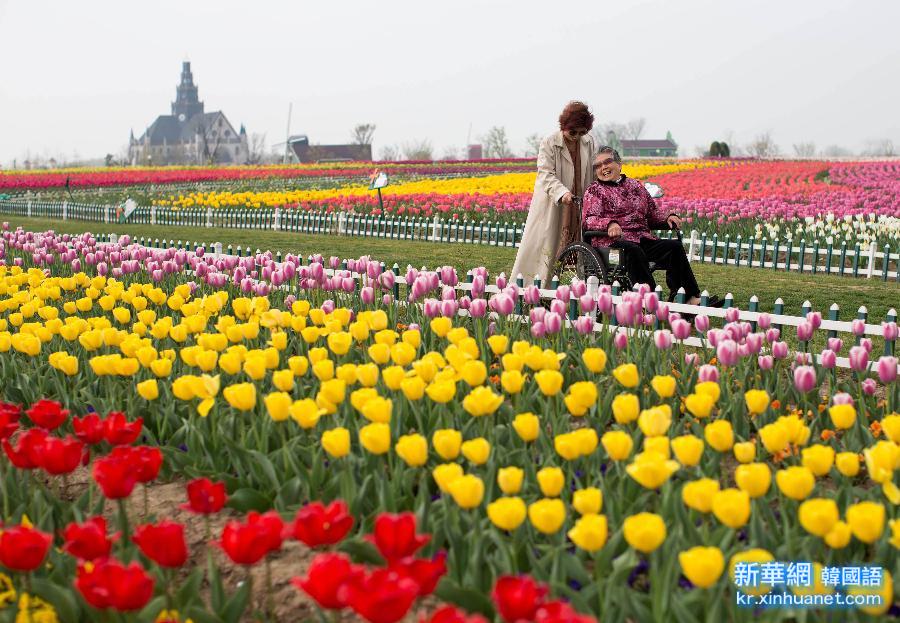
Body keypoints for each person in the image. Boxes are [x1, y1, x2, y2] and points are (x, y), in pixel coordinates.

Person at [582, 147, 721, 306]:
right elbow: (589, 219)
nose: (603, 168)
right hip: (610, 245)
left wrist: (668, 217)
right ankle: (650, 301)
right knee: (633, 250)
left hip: (640, 238)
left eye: (607, 162)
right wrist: (609, 224)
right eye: (598, 166)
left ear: (619, 164)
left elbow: (652, 213)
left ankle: (689, 298)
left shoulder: (636, 186)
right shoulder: (595, 191)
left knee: (673, 247)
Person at [511, 101, 596, 287]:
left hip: (580, 201)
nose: (576, 137)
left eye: (581, 133)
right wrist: (562, 192)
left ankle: (574, 289)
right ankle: (532, 289)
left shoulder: (589, 142)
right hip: (554, 202)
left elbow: (594, 169)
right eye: (572, 132)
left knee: (581, 248)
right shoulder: (549, 143)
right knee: (544, 249)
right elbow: (545, 173)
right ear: (564, 126)